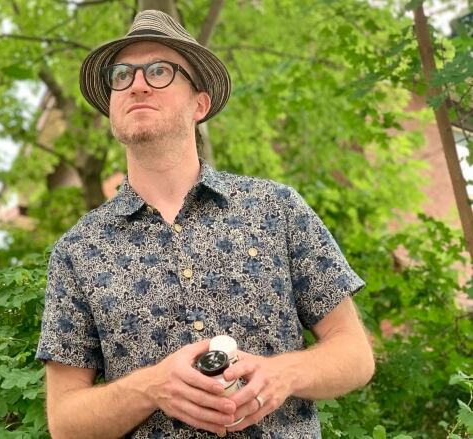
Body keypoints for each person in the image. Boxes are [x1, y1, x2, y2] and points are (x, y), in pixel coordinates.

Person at [35, 9, 374, 438]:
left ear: (200, 103)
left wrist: (282, 374)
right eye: (122, 76)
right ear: (112, 109)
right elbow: (65, 422)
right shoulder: (78, 250)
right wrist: (152, 387)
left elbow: (355, 354)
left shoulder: (276, 208)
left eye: (159, 71)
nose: (136, 84)